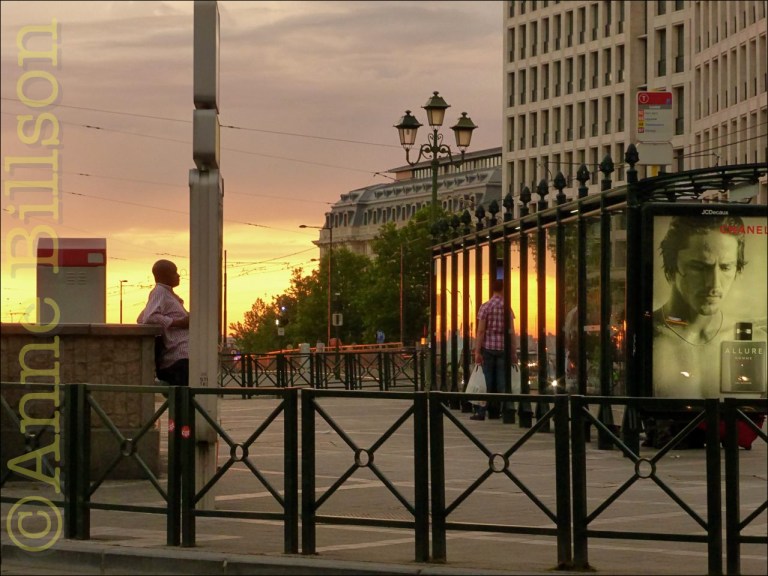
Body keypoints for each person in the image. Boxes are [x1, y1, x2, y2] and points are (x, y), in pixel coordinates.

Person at [652, 215, 747, 398]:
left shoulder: (755, 339)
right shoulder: (646, 337)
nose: (714, 284)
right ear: (671, 267)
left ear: (737, 269)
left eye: (726, 267)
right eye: (699, 267)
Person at [471, 279, 518, 420]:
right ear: (503, 289)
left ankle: (481, 411)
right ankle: (505, 410)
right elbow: (512, 331)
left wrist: (477, 351)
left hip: (488, 348)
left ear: (492, 289)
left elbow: (481, 331)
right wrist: (514, 351)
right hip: (503, 348)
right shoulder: (507, 308)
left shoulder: (485, 307)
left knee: (487, 381)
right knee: (502, 381)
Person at [138, 259, 190, 386]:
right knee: (184, 394)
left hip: (182, 356)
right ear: (165, 275)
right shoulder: (160, 291)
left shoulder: (167, 294)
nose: (178, 275)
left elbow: (141, 317)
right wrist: (177, 322)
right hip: (178, 356)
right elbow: (149, 317)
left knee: (186, 394)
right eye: (174, 272)